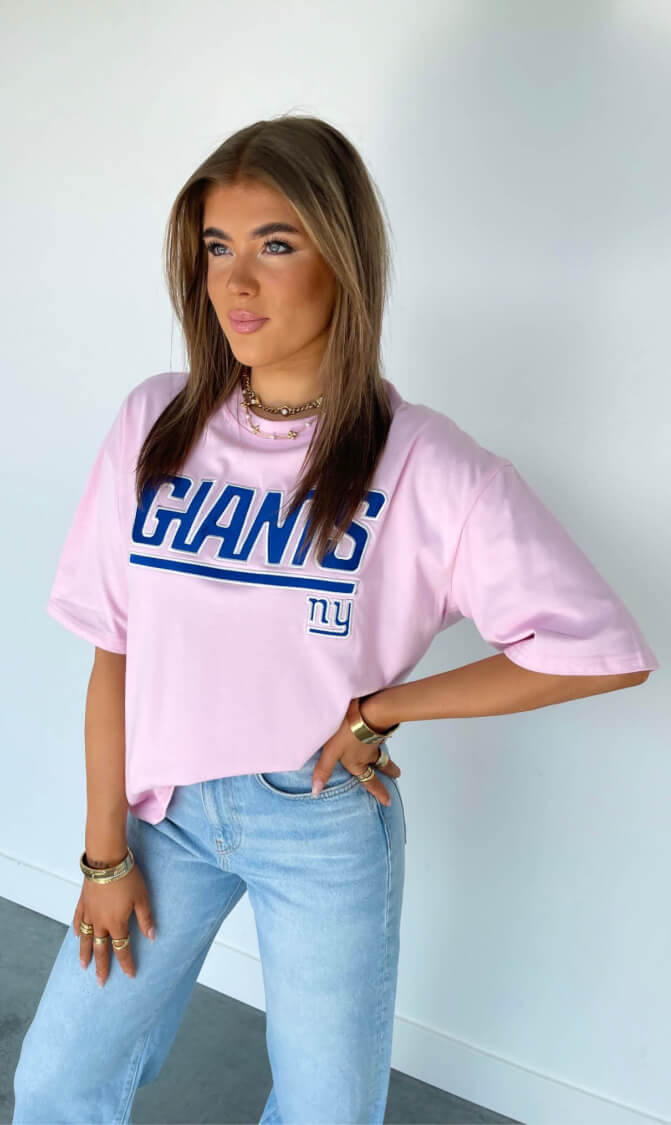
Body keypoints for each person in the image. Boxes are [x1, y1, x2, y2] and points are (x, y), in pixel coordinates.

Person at [12, 113, 659, 1125]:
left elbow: (599, 650)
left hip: (316, 821)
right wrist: (103, 854)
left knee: (325, 1113)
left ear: (342, 259)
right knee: (57, 1081)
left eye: (275, 244)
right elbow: (115, 652)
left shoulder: (425, 462)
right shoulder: (156, 421)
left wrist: (381, 709)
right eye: (216, 247)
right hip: (161, 813)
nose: (235, 282)